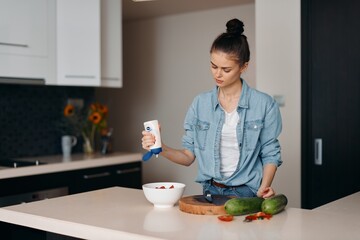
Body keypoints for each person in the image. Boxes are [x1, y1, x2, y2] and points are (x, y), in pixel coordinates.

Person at [141, 18, 282, 198]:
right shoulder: (200, 104)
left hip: (248, 192)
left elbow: (270, 153)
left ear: (244, 67)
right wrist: (159, 146)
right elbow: (188, 157)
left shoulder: (264, 104)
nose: (217, 73)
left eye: (226, 69)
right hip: (210, 191)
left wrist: (265, 186)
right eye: (213, 66)